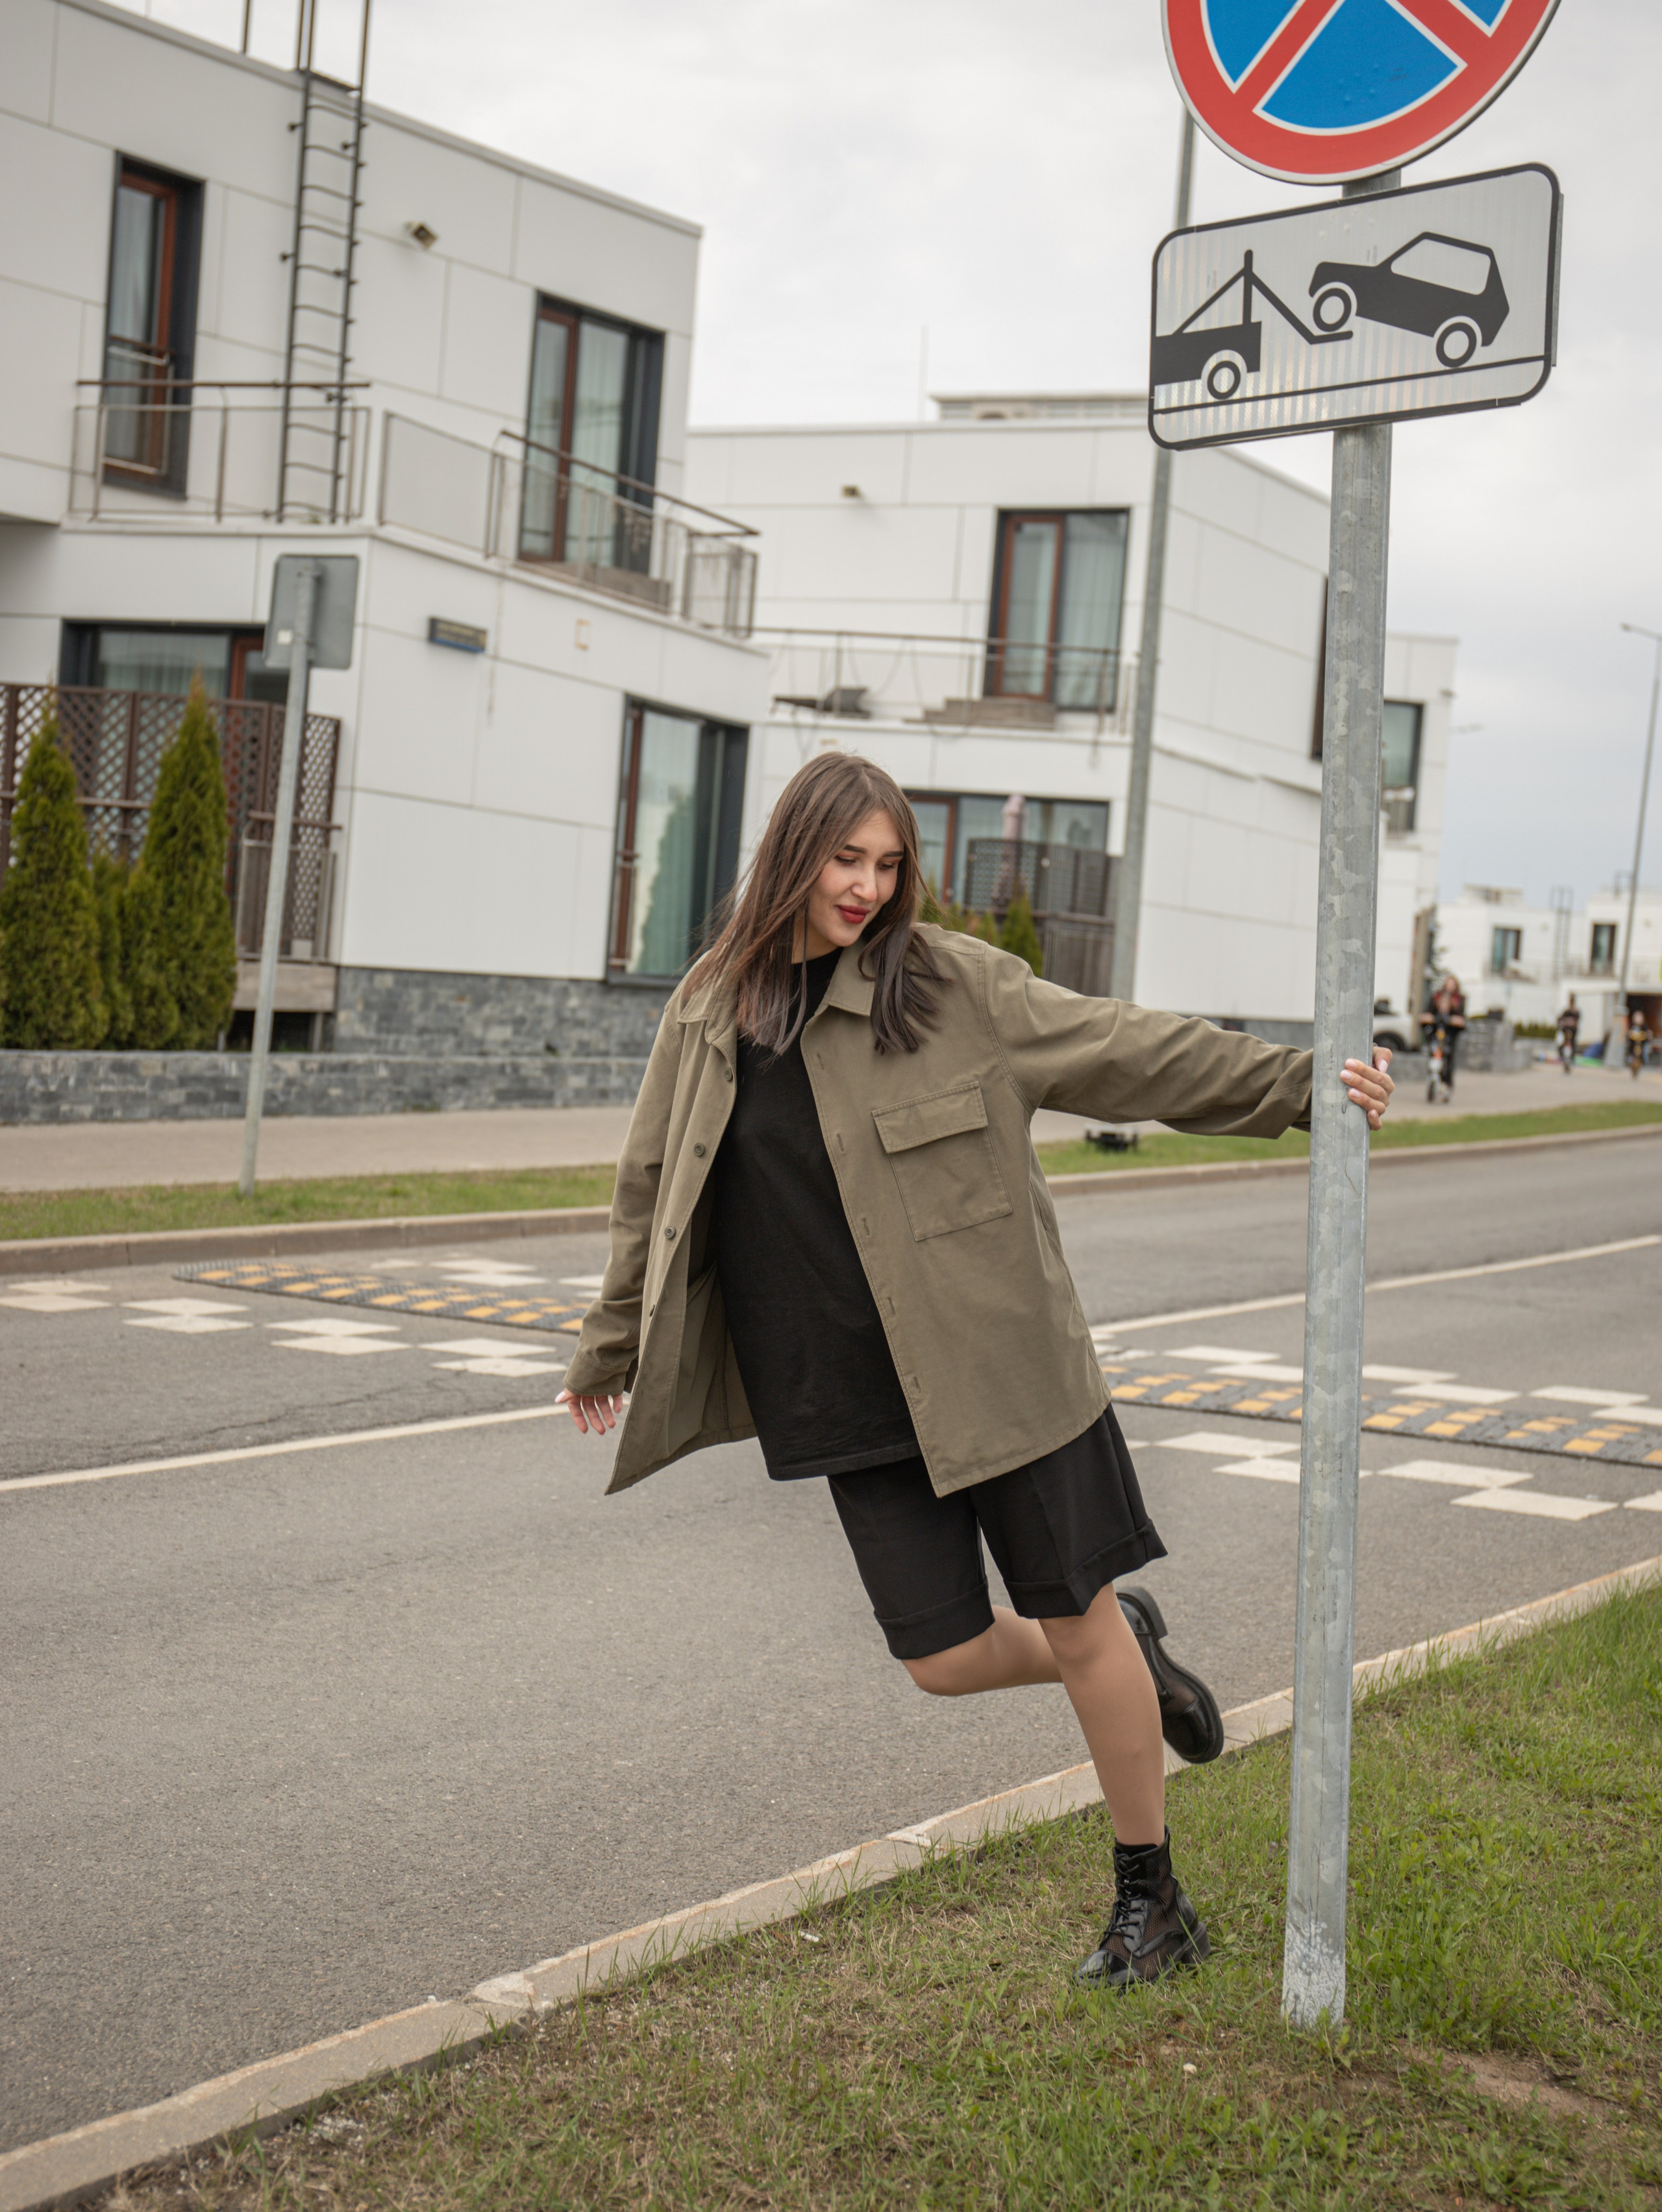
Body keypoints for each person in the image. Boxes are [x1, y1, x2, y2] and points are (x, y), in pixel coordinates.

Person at [556, 754, 1395, 1991]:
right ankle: (1128, 1655)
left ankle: (1150, 1899)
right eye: (847, 858)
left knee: (1073, 1614)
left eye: (887, 863)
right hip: (841, 1388)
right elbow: (655, 1191)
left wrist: (1301, 1085)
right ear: (795, 852)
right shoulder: (708, 1007)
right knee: (939, 1657)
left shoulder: (947, 982)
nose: (866, 885)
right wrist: (611, 1339)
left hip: (1005, 1369)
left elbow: (1126, 1051)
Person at [1420, 975, 1467, 1100]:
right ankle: (1433, 1080)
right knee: (1433, 1052)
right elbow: (1427, 1014)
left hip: (1450, 1033)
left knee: (1448, 1058)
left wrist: (1458, 1021)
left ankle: (1447, 1084)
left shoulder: (1459, 999)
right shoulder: (1436, 996)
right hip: (1437, 1031)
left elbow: (1461, 1018)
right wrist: (1427, 1018)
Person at [1556, 993, 1580, 1073]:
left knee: (1572, 1046)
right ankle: (1565, 1059)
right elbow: (1560, 1019)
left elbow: (1577, 1020)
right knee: (1565, 1045)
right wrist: (1562, 1026)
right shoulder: (1566, 1012)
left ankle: (1570, 1060)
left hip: (1572, 1032)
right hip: (1566, 1032)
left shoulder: (1576, 1012)